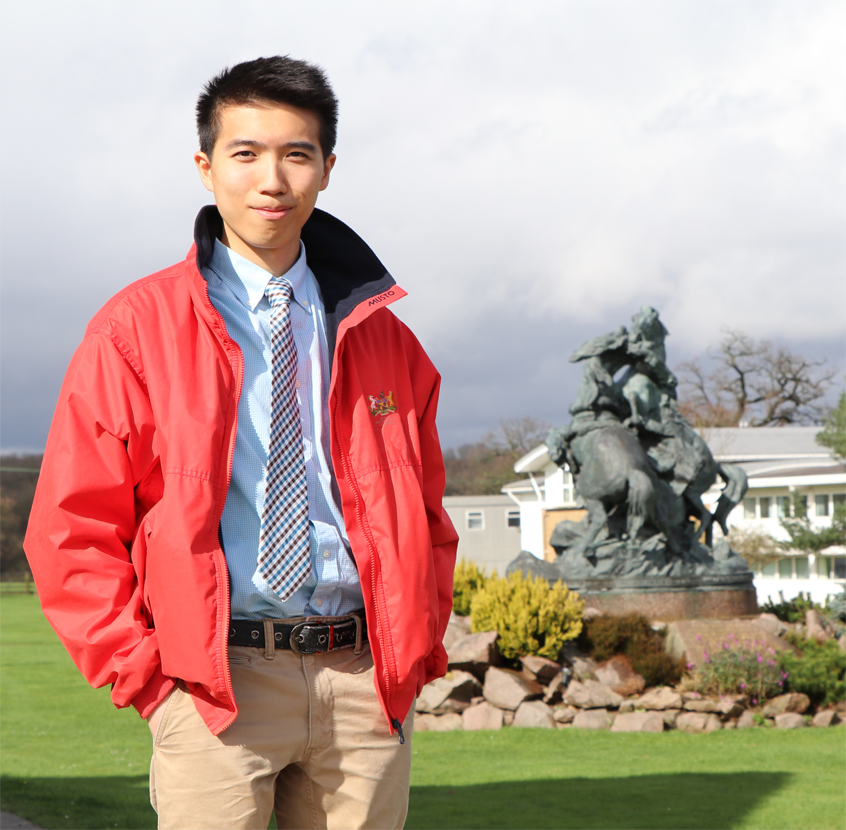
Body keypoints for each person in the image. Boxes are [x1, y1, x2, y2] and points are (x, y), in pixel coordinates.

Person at [24, 55, 458, 830]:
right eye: (245, 153)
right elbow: (71, 530)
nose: (272, 179)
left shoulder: (389, 341)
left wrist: (414, 655)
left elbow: (426, 516)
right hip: (215, 687)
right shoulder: (133, 332)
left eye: (297, 154)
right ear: (205, 167)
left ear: (327, 169)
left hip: (364, 684)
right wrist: (152, 680)